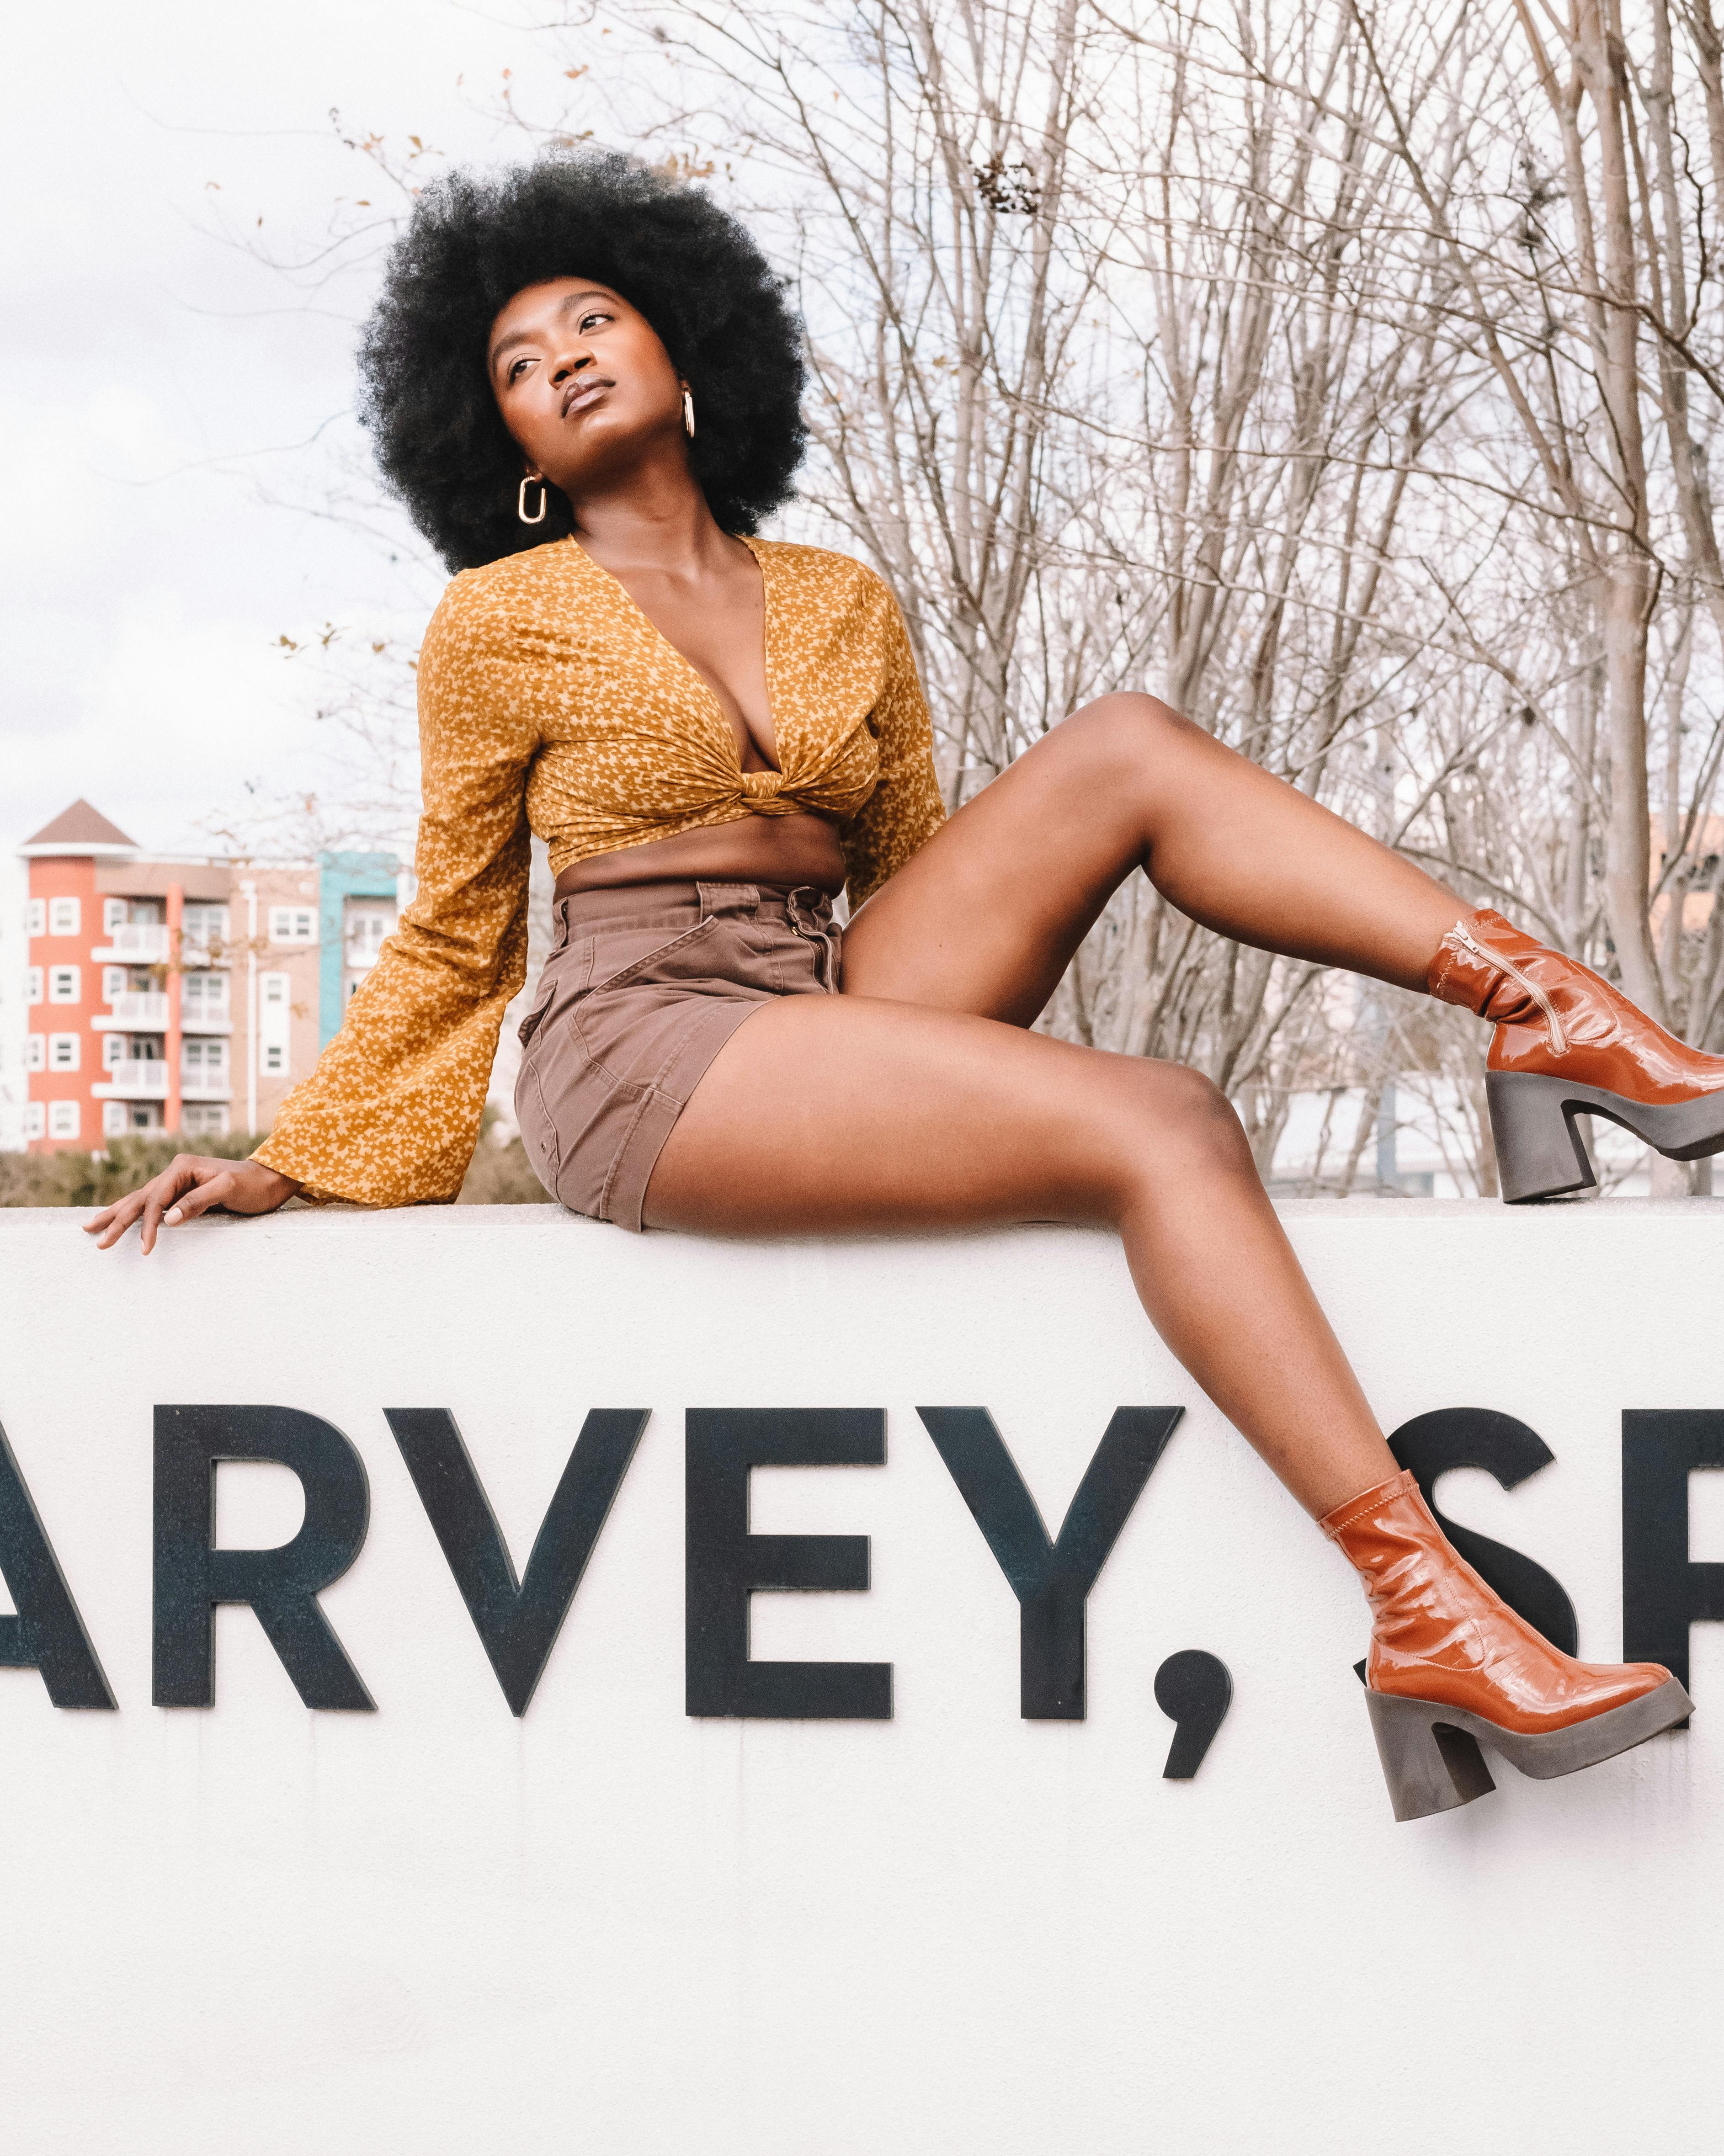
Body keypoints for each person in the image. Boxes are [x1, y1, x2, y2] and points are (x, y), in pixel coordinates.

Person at [90, 152, 1714, 1820]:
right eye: (515, 363)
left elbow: (924, 868)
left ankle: (1544, 1011)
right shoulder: (497, 623)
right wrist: (303, 1153)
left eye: (595, 318)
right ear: (496, 441)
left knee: (1125, 749)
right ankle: (1424, 1613)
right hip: (646, 1043)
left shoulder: (838, 600)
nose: (563, 357)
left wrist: (942, 1000)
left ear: (688, 352)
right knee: (1161, 1121)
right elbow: (453, 926)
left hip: (819, 989)